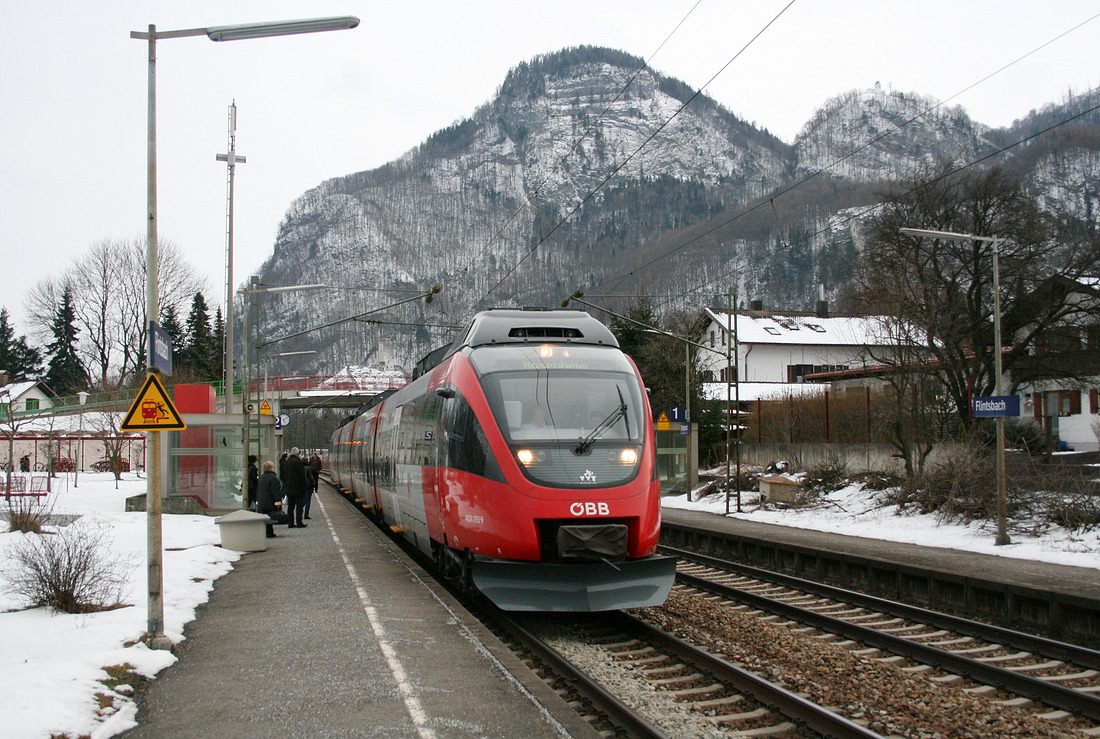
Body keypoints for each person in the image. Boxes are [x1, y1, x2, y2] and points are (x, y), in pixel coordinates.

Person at [281, 447, 309, 528]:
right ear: (297, 454)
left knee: (291, 507)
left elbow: (283, 476)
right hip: (298, 489)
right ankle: (299, 522)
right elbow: (302, 476)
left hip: (289, 488)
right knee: (299, 506)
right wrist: (304, 487)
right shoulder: (298, 463)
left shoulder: (286, 463)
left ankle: (290, 522)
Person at [255, 460, 281, 538]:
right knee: (270, 517)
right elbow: (275, 491)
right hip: (270, 501)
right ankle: (269, 532)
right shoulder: (273, 478)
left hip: (262, 501)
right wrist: (277, 502)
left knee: (265, 516)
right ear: (271, 468)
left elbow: (258, 490)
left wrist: (257, 500)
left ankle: (266, 532)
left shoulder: (261, 478)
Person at [306, 453, 322, 519]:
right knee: (313, 480)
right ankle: (313, 489)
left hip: (316, 471)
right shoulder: (311, 460)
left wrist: (318, 469)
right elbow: (309, 465)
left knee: (316, 481)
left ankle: (316, 489)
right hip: (312, 471)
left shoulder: (318, 460)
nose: (313, 456)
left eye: (314, 455)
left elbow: (320, 465)